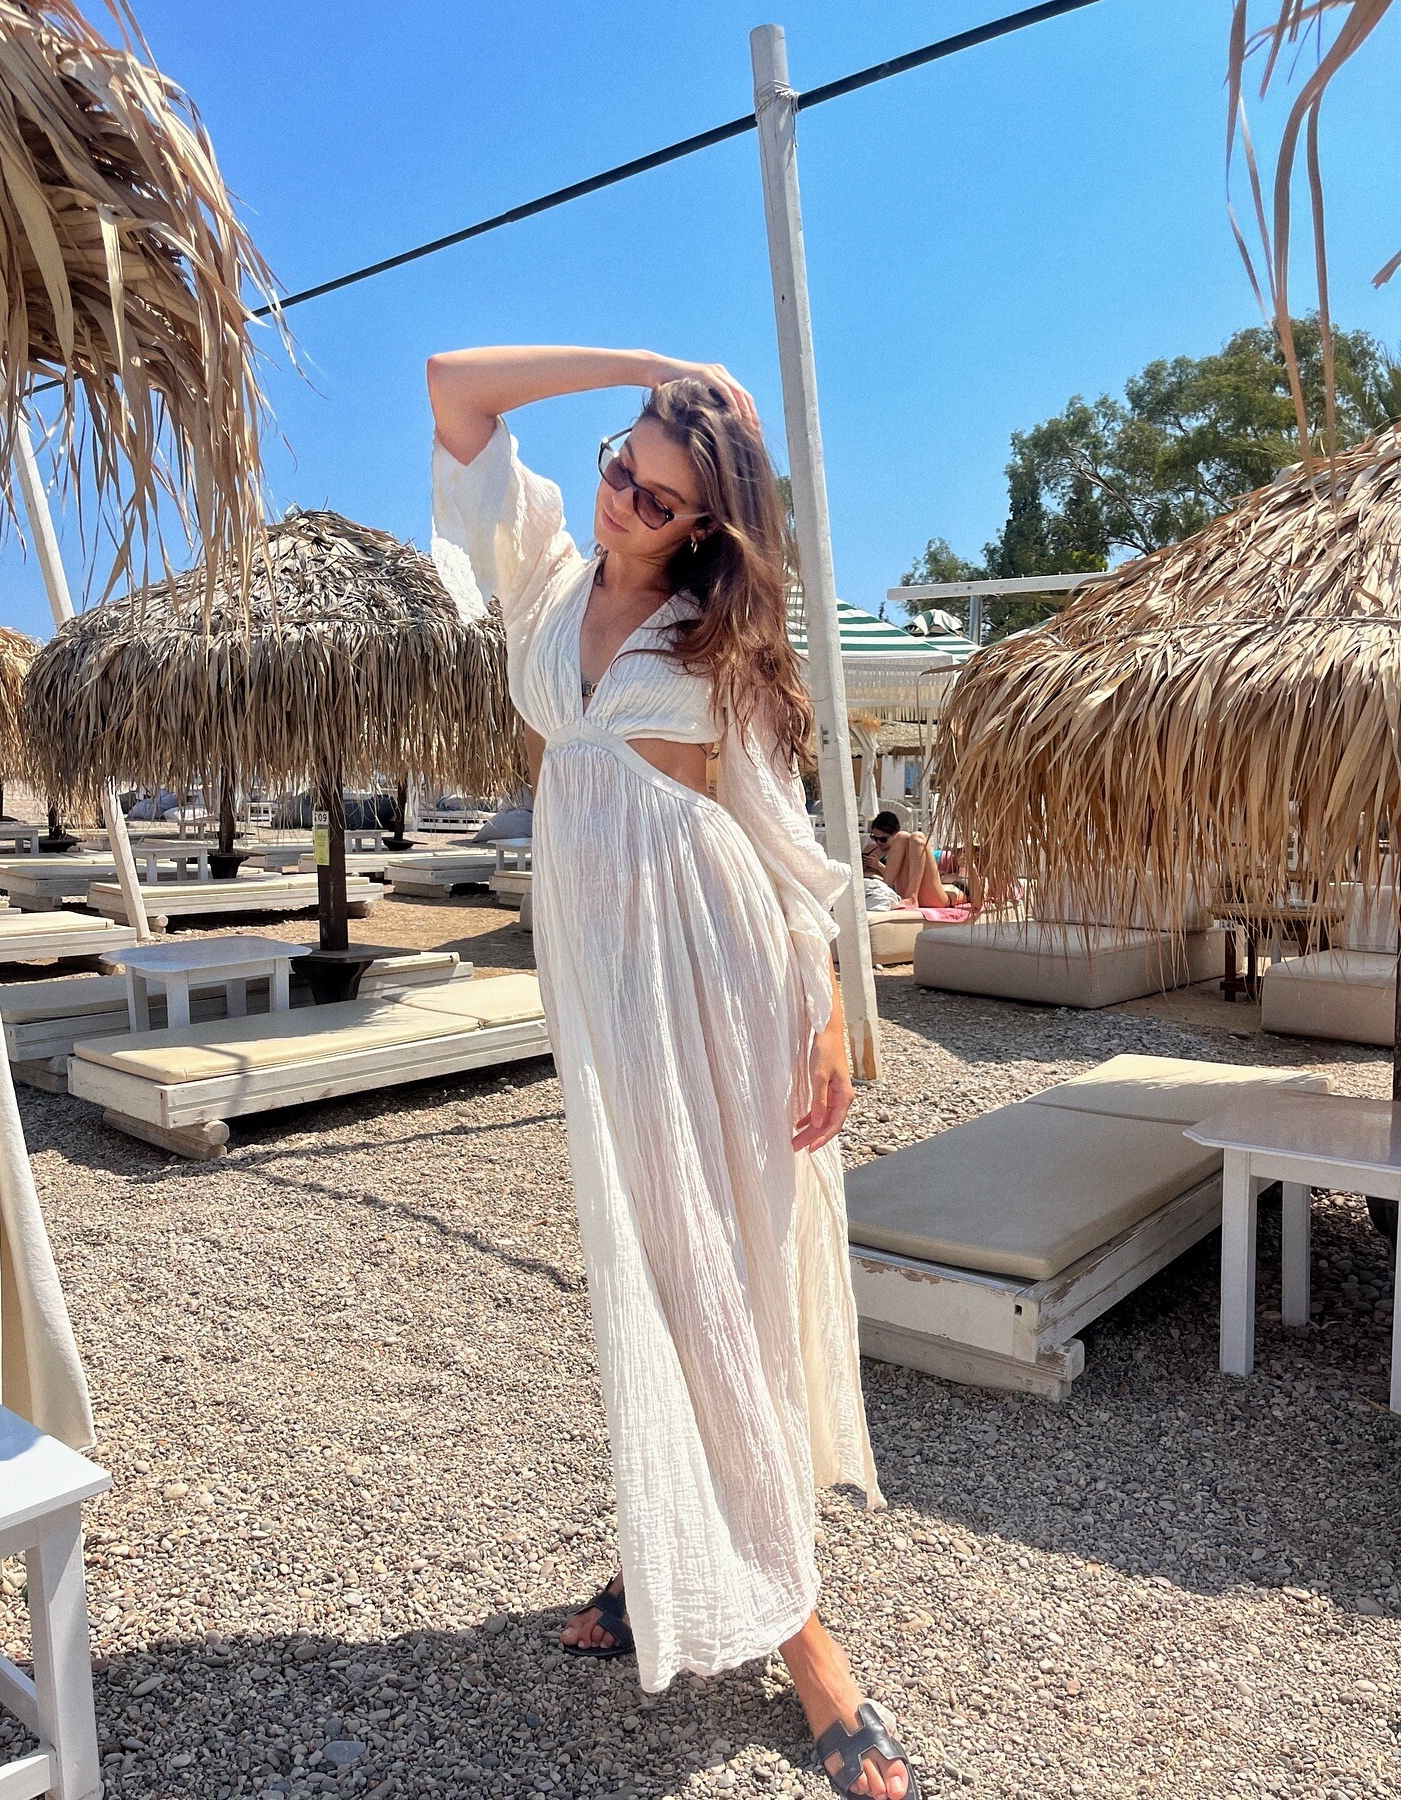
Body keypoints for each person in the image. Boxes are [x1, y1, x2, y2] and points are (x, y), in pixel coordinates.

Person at [428, 345, 916, 1800]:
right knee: (650, 1272)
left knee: (713, 1278)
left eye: (660, 498)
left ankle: (806, 1639)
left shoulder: (718, 643)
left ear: (706, 525)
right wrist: (655, 369)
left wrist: (824, 1011)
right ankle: (669, 1561)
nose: (626, 503)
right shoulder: (541, 574)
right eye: (621, 470)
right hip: (604, 987)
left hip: (719, 973)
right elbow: (456, 387)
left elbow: (781, 840)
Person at [862, 811, 962, 910]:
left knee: (917, 836)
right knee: (903, 836)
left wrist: (878, 866)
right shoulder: (872, 848)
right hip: (896, 889)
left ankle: (911, 897)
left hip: (928, 895)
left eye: (883, 839)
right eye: (874, 838)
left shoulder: (962, 889)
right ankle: (893, 893)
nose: (878, 842)